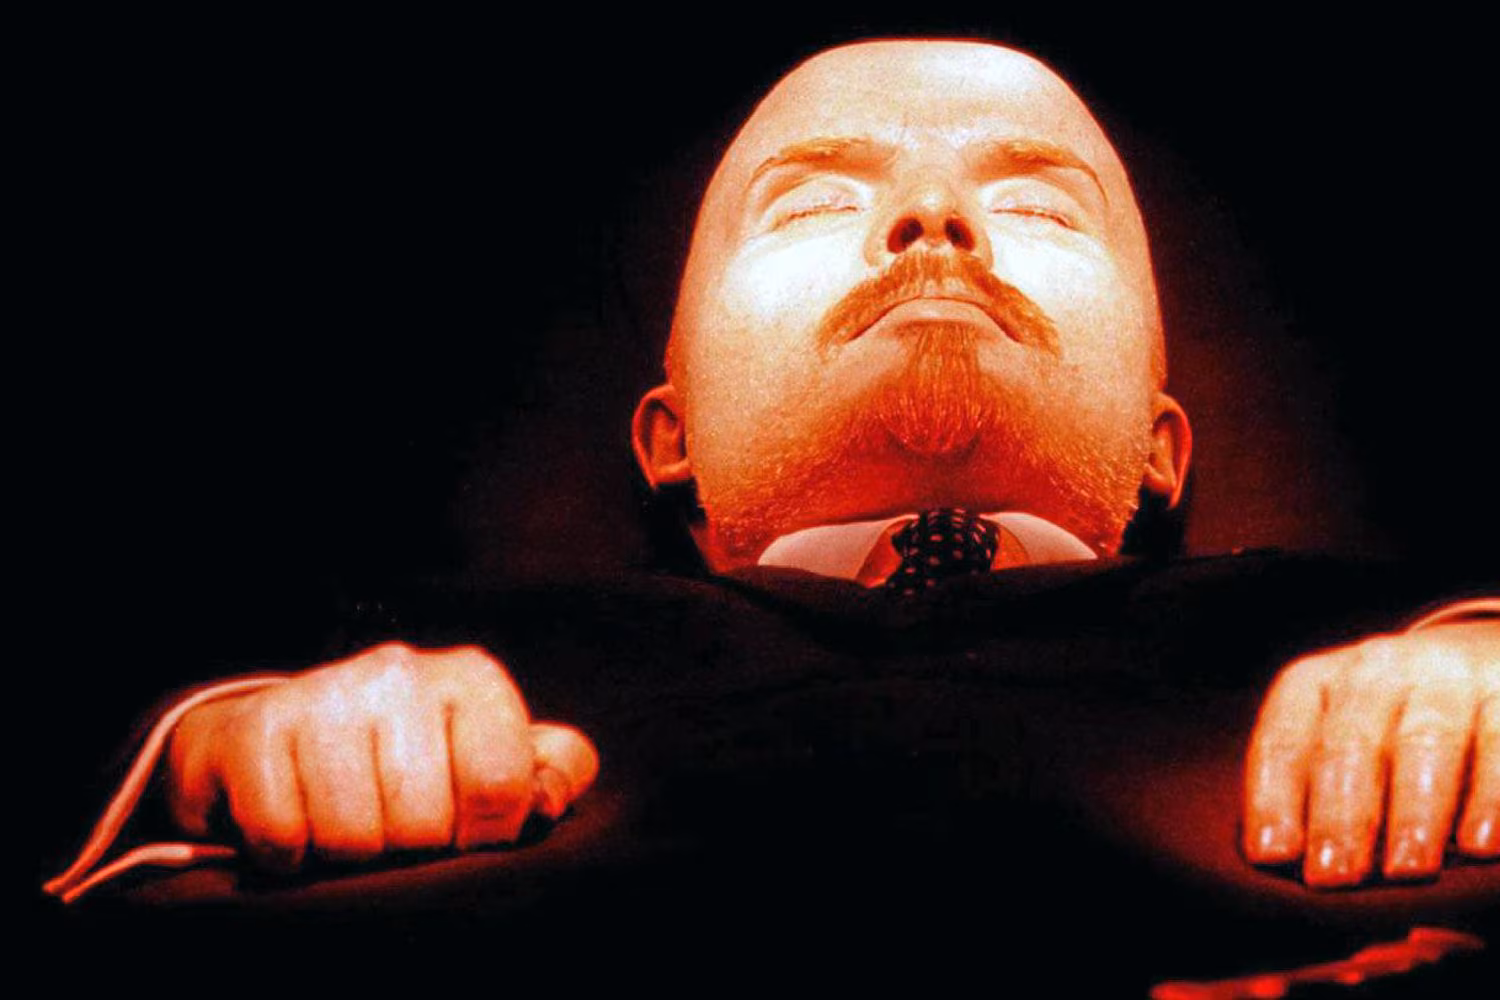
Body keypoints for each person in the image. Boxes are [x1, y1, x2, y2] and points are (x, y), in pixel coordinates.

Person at [51, 38, 1496, 908]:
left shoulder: (1382, 629)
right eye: (810, 203)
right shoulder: (418, 657)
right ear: (666, 439)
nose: (934, 219)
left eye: (1039, 206)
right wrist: (211, 752)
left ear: (1164, 452)